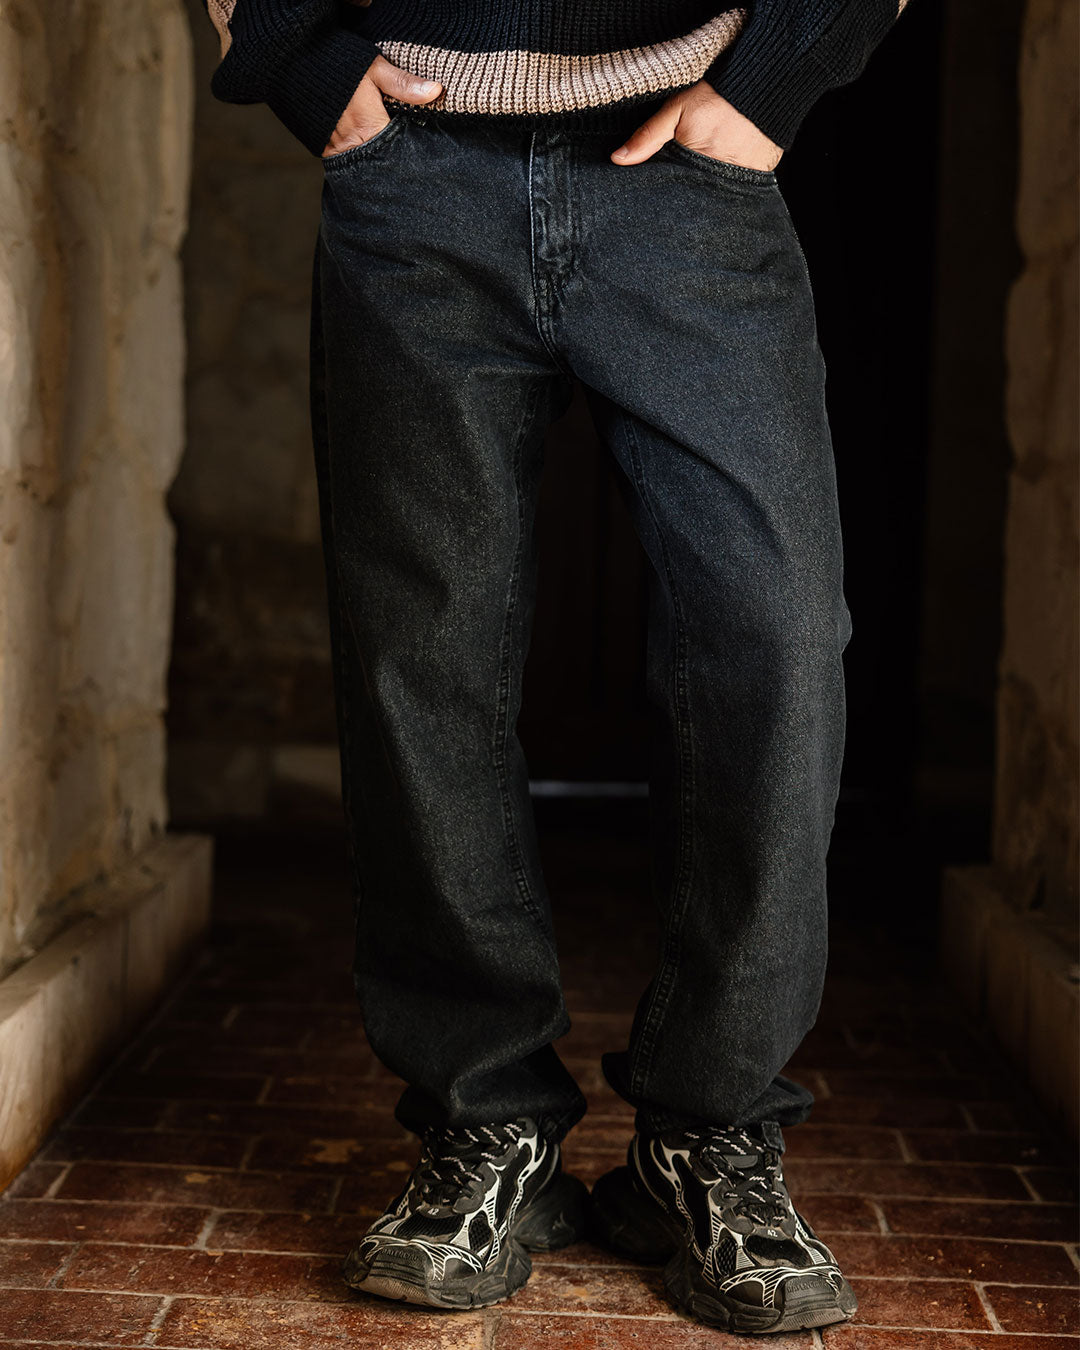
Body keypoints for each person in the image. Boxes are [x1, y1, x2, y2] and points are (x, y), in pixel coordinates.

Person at [202, 0, 910, 1335]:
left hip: (693, 163)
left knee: (773, 638)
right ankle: (485, 1124)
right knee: (422, 655)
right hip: (414, 164)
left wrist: (774, 79)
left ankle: (709, 1131)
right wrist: (304, 63)